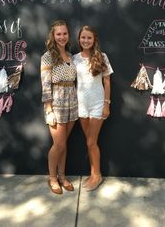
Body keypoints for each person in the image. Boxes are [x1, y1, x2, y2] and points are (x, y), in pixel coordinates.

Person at [73, 25, 113, 191]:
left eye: (89, 38)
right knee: (90, 143)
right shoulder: (74, 58)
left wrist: (106, 104)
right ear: (79, 39)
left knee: (91, 141)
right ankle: (93, 173)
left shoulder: (102, 57)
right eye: (83, 37)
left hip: (97, 104)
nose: (86, 40)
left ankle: (97, 175)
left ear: (94, 39)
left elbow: (107, 81)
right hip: (81, 104)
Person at [40, 20, 78, 195]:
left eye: (65, 33)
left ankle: (62, 176)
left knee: (65, 144)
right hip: (56, 102)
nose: (62, 37)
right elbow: (46, 85)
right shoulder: (48, 56)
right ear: (53, 36)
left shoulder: (71, 56)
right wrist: (49, 110)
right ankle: (53, 178)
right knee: (59, 144)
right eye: (58, 34)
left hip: (72, 101)